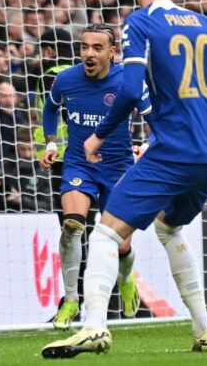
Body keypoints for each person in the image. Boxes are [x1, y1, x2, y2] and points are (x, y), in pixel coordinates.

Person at [42, 0, 207, 358]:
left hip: (172, 150)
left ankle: (93, 327)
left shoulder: (140, 22)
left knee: (104, 233)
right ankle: (204, 329)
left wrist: (98, 136)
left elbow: (128, 88)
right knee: (169, 228)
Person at [40, 24, 151, 331]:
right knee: (71, 226)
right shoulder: (66, 79)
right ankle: (72, 300)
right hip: (78, 165)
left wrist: (147, 144)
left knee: (121, 245)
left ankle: (126, 278)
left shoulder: (128, 82)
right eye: (84, 47)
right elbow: (50, 109)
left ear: (112, 52)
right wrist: (51, 144)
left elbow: (155, 119)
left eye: (97, 48)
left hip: (118, 169)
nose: (88, 53)